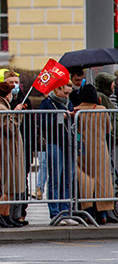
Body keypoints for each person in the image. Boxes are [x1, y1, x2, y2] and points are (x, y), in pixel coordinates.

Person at [0, 72, 27, 228]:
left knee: (12, 186)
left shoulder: (1, 106)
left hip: (10, 151)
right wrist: (17, 114)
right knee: (9, 185)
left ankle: (5, 215)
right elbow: (9, 128)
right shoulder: (0, 107)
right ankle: (0, 214)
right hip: (8, 152)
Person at [74, 84, 115, 224]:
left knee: (85, 182)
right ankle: (102, 214)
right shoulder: (103, 110)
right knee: (102, 183)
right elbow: (109, 129)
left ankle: (88, 213)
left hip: (83, 152)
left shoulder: (77, 111)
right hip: (101, 151)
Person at [41, 80, 76, 219]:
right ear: (57, 89)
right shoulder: (47, 103)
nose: (67, 96)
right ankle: (55, 213)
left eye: (69, 93)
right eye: (65, 92)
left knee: (67, 179)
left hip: (68, 143)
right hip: (54, 142)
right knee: (55, 179)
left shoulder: (69, 103)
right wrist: (62, 116)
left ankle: (66, 211)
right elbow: (43, 123)